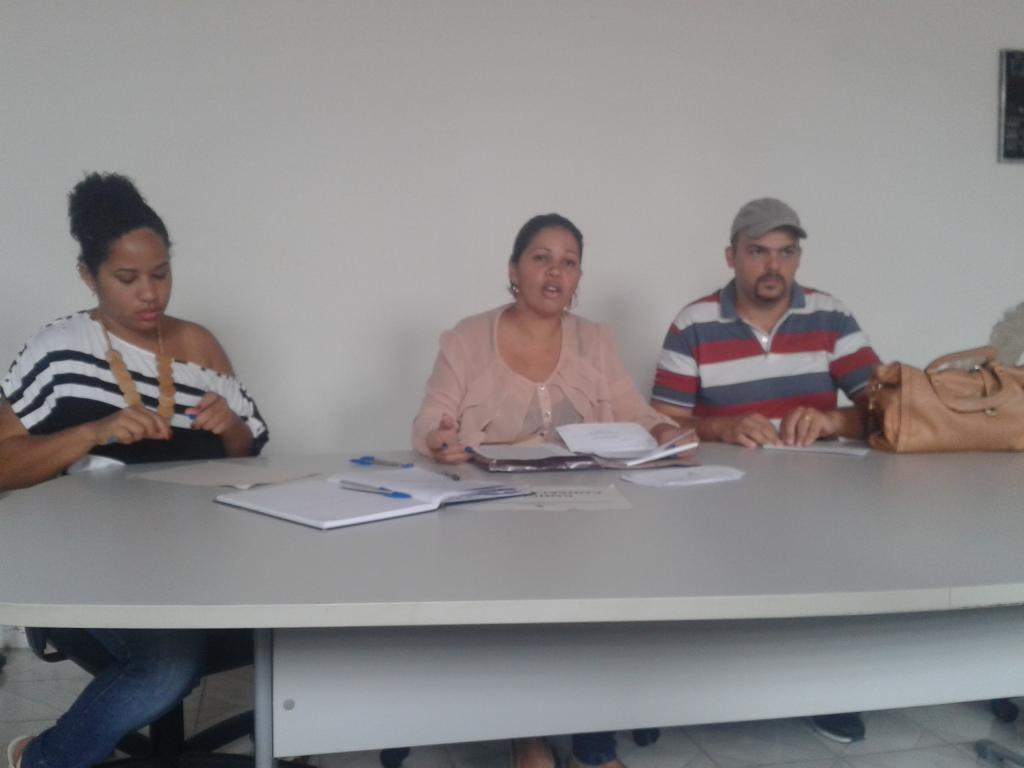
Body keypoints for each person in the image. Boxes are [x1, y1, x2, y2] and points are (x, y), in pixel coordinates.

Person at [1, 172, 268, 768]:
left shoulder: (199, 347)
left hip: (196, 561)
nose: (150, 294)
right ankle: (39, 759)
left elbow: (249, 458)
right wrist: (90, 432)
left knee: (303, 616)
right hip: (88, 566)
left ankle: (289, 741)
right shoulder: (58, 352)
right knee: (164, 664)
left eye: (161, 274)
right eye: (127, 279)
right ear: (88, 275)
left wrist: (230, 426)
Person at [413, 213, 690, 768]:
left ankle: (591, 744)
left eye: (568, 262)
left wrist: (664, 431)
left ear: (579, 276)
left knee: (598, 600)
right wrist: (438, 438)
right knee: (523, 607)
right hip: (496, 512)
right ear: (514, 269)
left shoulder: (595, 339)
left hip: (584, 510)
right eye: (541, 258)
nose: (555, 272)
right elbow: (430, 417)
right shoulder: (467, 337)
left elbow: (631, 409)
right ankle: (529, 737)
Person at [650, 198, 880, 744]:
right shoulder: (693, 323)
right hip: (722, 501)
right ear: (731, 257)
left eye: (786, 252)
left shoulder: (830, 316)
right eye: (758, 252)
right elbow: (659, 423)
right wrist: (721, 427)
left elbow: (887, 409)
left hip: (816, 496)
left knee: (838, 565)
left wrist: (833, 420)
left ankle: (825, 689)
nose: (774, 266)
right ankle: (702, 689)